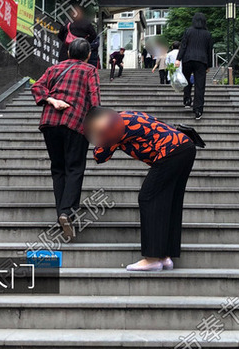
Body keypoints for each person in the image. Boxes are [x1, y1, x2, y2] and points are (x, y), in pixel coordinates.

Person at [84, 107, 196, 271]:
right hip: (185, 146)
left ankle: (152, 259)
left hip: (170, 150)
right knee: (169, 201)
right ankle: (165, 256)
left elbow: (100, 155)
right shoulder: (126, 115)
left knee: (148, 197)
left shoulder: (113, 125)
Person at [31, 38, 101, 239]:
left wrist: (52, 100)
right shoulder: (89, 70)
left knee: (58, 169)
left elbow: (37, 87)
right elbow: (94, 99)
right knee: (74, 168)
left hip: (50, 122)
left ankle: (62, 214)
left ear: (69, 53)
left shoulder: (54, 68)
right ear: (88, 55)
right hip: (75, 122)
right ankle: (66, 212)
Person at [176, 12, 214, 120]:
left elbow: (183, 46)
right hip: (201, 61)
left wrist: (178, 59)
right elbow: (209, 50)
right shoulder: (208, 34)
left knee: (186, 80)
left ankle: (187, 99)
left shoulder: (188, 31)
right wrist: (208, 65)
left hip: (187, 59)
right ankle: (198, 110)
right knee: (200, 86)